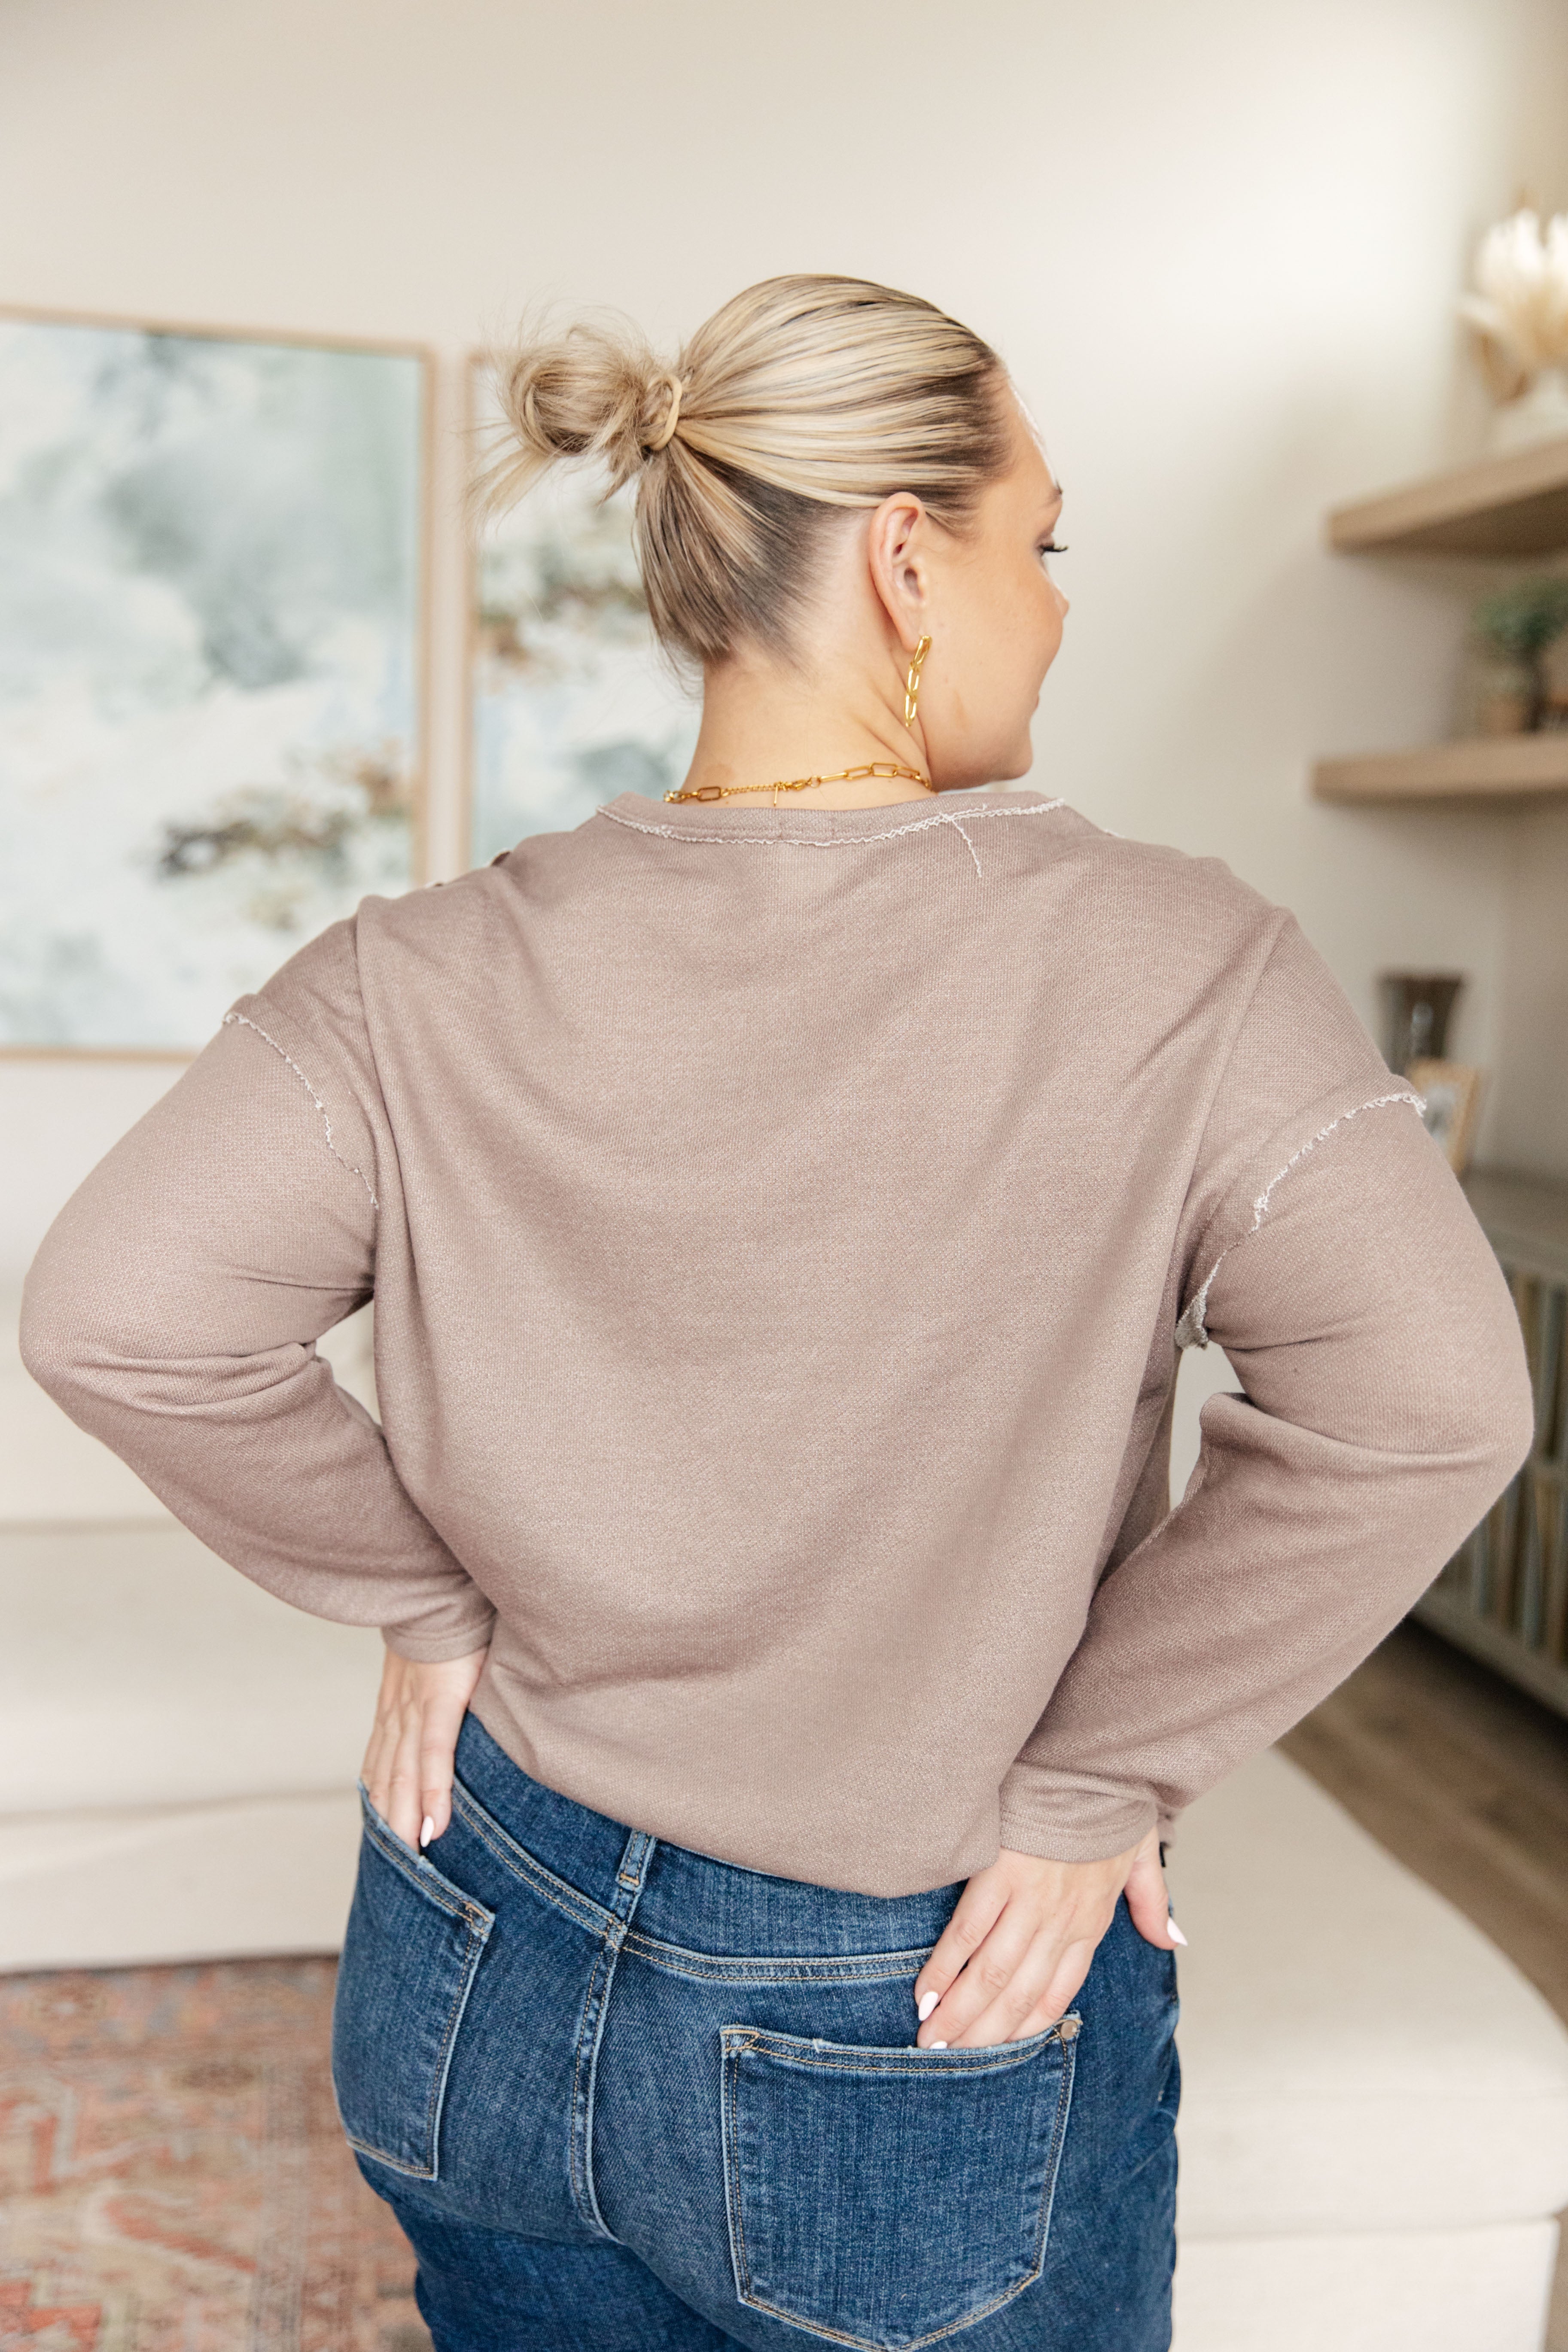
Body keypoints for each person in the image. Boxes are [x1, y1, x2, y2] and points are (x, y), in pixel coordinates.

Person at [21, 274, 1532, 2352]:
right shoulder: (1180, 966)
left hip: (468, 1929)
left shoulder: (421, 969)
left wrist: (428, 1600)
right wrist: (1099, 1779)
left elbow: (118, 1310)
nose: (1062, 606)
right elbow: (1433, 1402)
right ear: (913, 556)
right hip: (909, 2011)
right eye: (1045, 541)